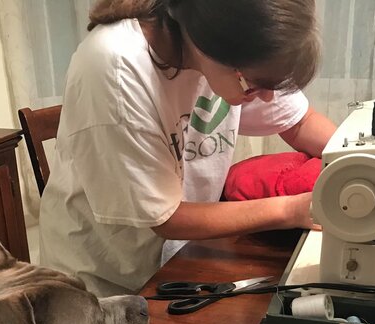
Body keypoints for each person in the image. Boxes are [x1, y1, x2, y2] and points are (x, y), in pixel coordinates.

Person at [39, 0, 337, 297]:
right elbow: (166, 218)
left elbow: (299, 123)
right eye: (255, 85)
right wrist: (292, 209)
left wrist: (360, 157)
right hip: (102, 278)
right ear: (212, 45)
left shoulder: (221, 49)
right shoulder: (116, 67)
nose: (268, 99)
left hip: (179, 259)